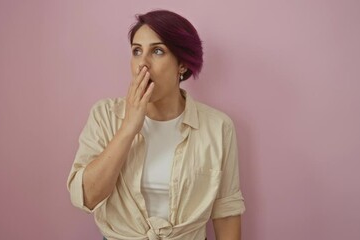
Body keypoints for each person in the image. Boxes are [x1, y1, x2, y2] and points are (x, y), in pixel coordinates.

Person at [67, 9, 245, 240]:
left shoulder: (218, 127)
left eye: (158, 51)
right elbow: (87, 198)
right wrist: (129, 127)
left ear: (182, 64)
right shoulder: (104, 115)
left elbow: (226, 211)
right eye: (137, 51)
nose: (143, 64)